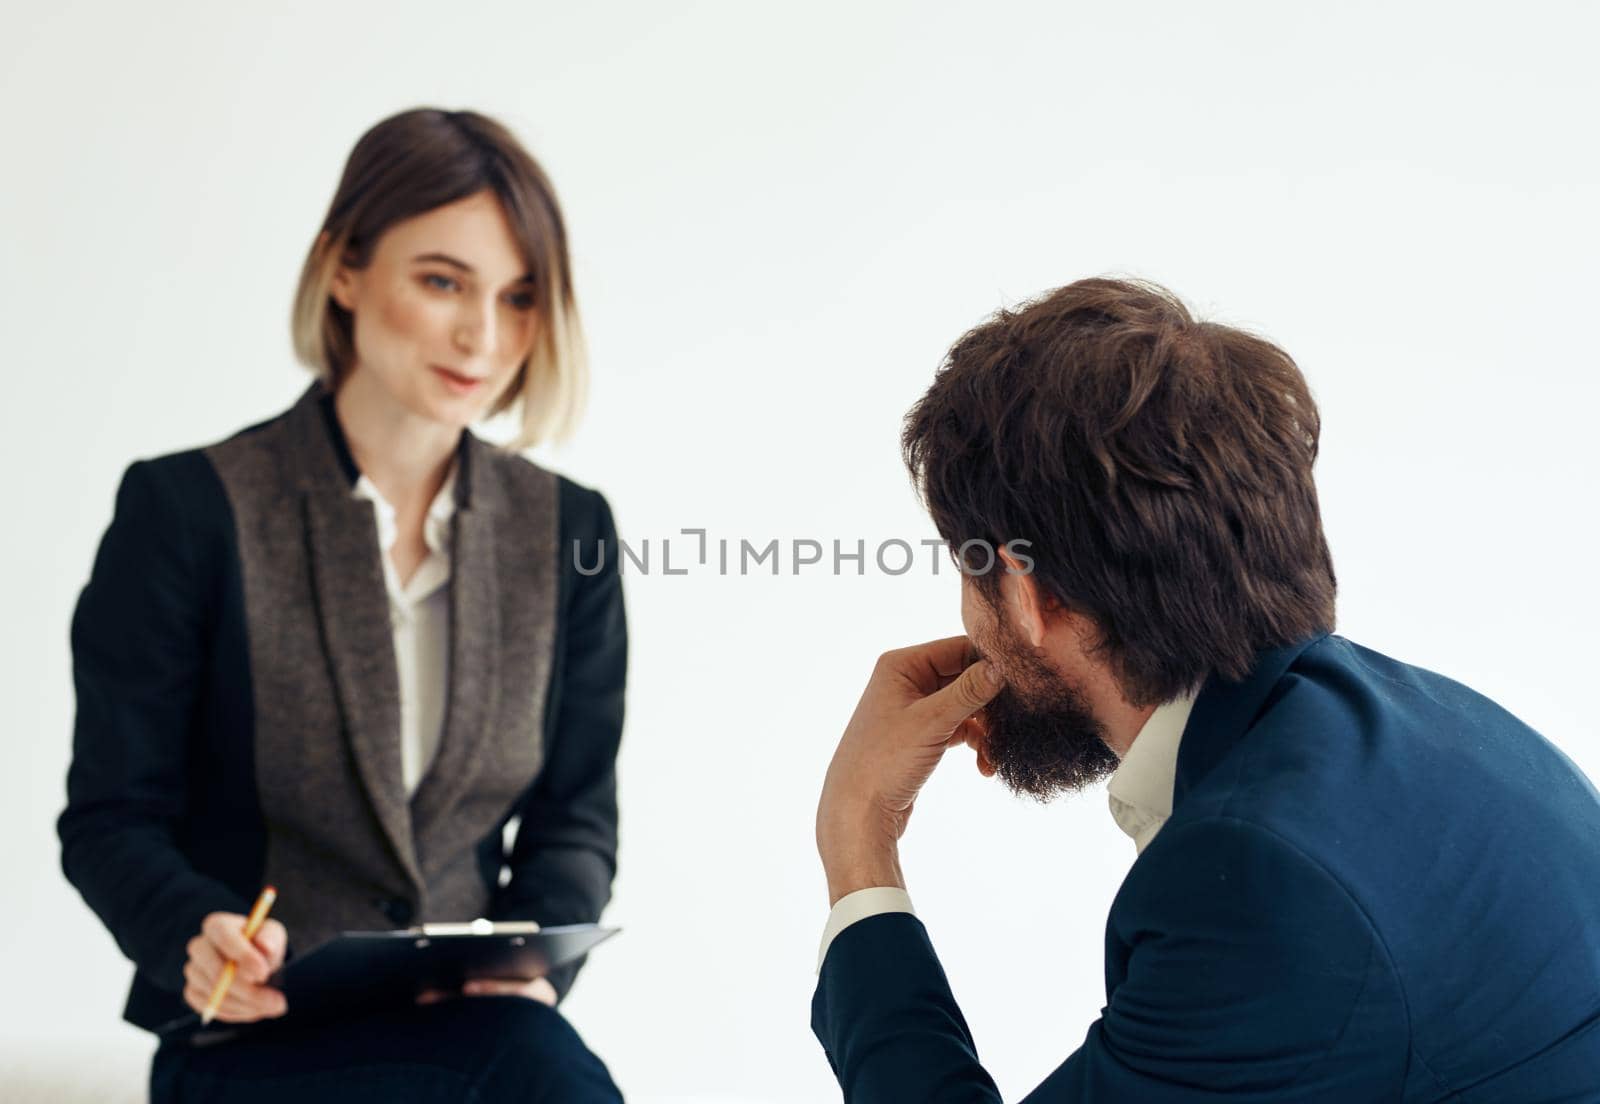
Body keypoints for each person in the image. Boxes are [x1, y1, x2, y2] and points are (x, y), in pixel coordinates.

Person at [811, 277, 1600, 1101]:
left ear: (1027, 594)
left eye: (966, 573)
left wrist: (859, 836)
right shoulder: (1449, 728)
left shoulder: (1261, 878)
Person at [58, 107, 627, 1102]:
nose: (482, 336)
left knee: (526, 1062)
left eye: (520, 297)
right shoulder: (189, 511)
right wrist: (194, 930)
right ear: (344, 269)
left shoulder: (567, 531)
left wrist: (528, 969)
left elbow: (573, 823)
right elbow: (112, 817)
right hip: (250, 1042)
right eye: (443, 280)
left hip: (472, 1030)